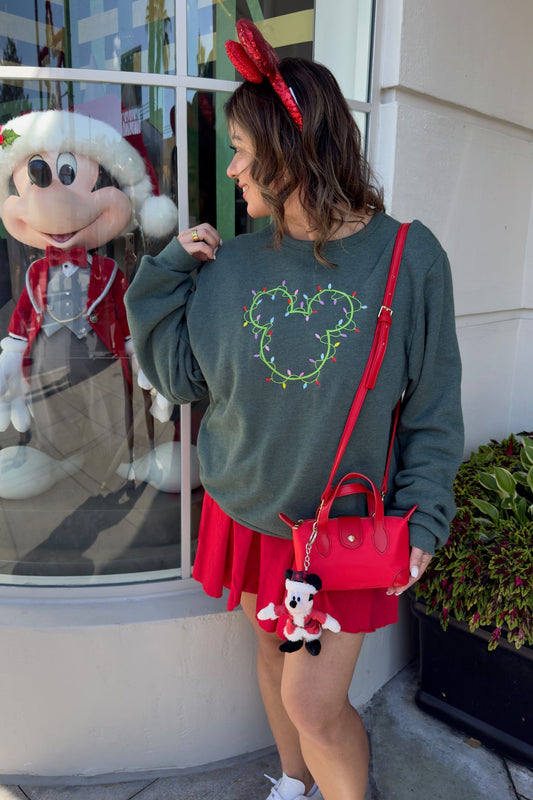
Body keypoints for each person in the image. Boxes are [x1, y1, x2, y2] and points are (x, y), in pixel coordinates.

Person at [125, 20, 463, 800]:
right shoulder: (232, 265)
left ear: (293, 152)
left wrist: (426, 510)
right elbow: (176, 377)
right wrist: (167, 273)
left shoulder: (409, 260)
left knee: (312, 701)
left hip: (340, 530)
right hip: (249, 516)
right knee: (275, 662)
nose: (234, 169)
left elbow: (433, 407)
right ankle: (291, 784)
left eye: (244, 150)